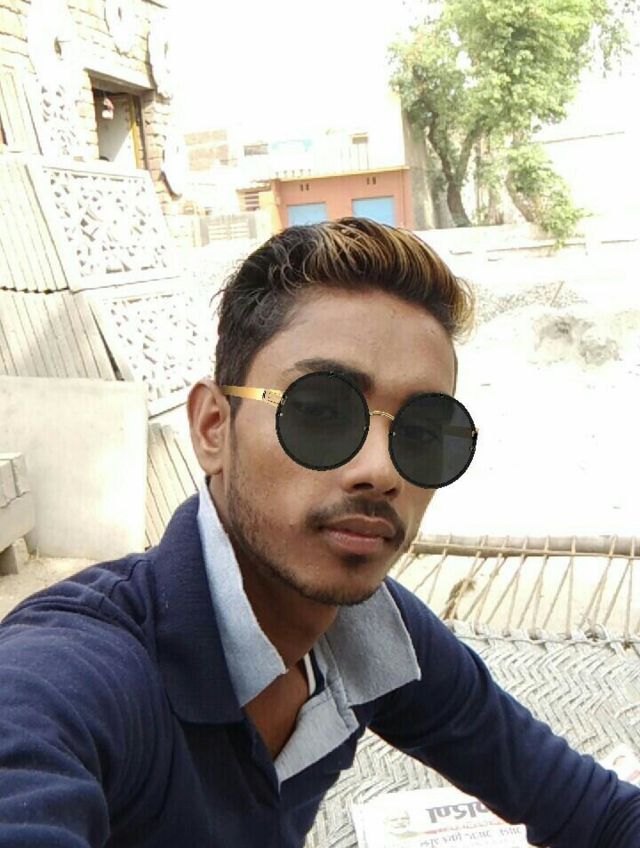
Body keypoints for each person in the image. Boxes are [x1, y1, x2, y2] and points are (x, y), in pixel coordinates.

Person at [0, 218, 638, 847]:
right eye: (321, 412)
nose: (381, 471)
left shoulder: (370, 633)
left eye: (421, 432)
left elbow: (595, 810)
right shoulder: (72, 675)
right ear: (214, 427)